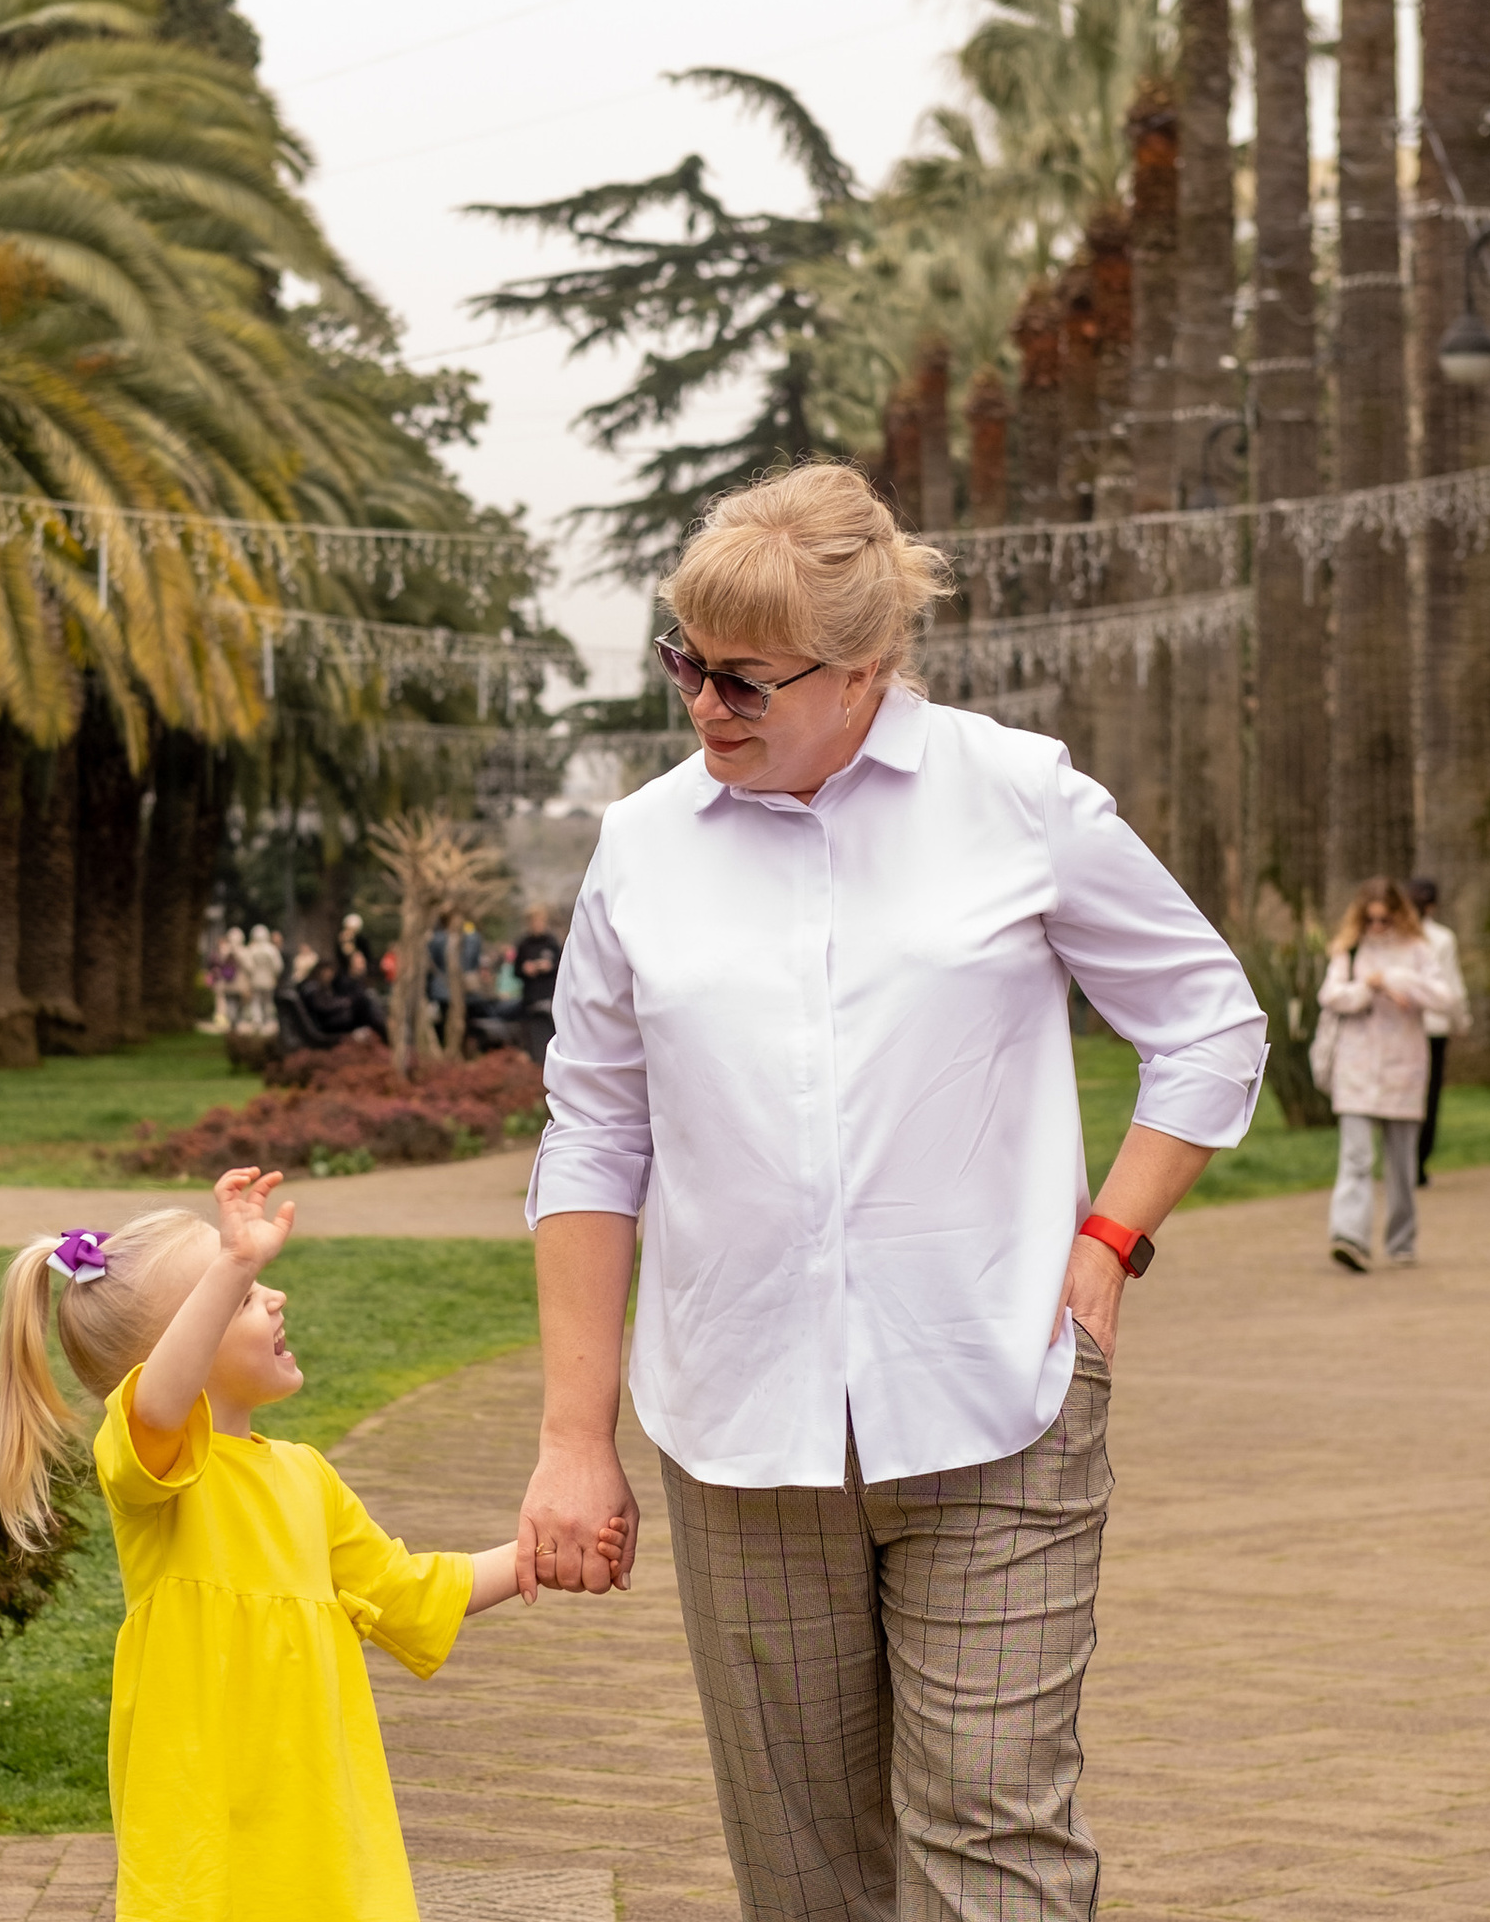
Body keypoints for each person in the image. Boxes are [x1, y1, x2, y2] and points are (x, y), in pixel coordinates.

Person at [521, 462, 1266, 1921]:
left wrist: (1110, 1239)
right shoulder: (641, 851)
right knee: (805, 1871)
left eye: (748, 679)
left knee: (990, 1833)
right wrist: (571, 1439)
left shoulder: (1019, 798)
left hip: (999, 1404)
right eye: (686, 663)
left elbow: (1209, 1021)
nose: (706, 704)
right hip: (739, 1438)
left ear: (865, 671)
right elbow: (594, 1140)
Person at [0, 1171, 621, 1920]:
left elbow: (404, 1592)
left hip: (316, 1811)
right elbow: (159, 1403)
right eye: (248, 1297)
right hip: (206, 1818)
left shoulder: (304, 1477)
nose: (274, 1297)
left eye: (259, 1287)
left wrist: (531, 1557)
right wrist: (231, 1266)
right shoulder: (149, 1473)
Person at [1314, 878, 1450, 1272]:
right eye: (1370, 919)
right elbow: (1331, 995)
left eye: (1384, 919)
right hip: (1356, 1068)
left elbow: (1446, 997)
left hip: (1404, 1068)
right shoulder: (1349, 951)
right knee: (1355, 1159)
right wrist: (1367, 989)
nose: (1377, 926)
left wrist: (1399, 982)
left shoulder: (1419, 950)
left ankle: (1401, 1240)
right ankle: (1349, 1237)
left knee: (1402, 1165)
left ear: (1398, 915)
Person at [1406, 876, 1467, 1186]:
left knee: (1404, 1094)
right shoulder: (1441, 938)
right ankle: (1416, 1161)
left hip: (1404, 1026)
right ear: (1433, 906)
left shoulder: (1397, 935)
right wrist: (1461, 1021)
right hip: (1433, 1027)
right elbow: (1452, 987)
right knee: (1427, 1097)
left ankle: (1404, 1161)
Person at [513, 905, 562, 1067]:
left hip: (549, 995)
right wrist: (525, 969)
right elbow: (516, 971)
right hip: (530, 997)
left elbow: (562, 967)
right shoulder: (524, 945)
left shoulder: (552, 943)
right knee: (533, 1035)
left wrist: (549, 966)